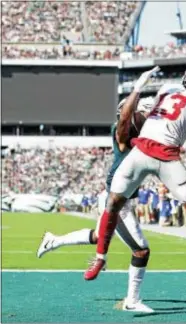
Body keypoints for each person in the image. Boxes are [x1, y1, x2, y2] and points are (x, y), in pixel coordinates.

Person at [85, 33, 186, 284]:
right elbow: (127, 118)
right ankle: (100, 256)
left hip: (168, 154)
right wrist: (137, 90)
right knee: (113, 202)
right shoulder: (166, 89)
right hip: (141, 151)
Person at [36, 66, 159, 313]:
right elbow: (130, 122)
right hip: (118, 201)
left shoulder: (142, 135)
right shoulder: (122, 132)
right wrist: (139, 91)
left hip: (120, 198)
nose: (147, 116)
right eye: (143, 113)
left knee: (99, 236)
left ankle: (54, 241)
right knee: (141, 250)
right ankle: (132, 300)